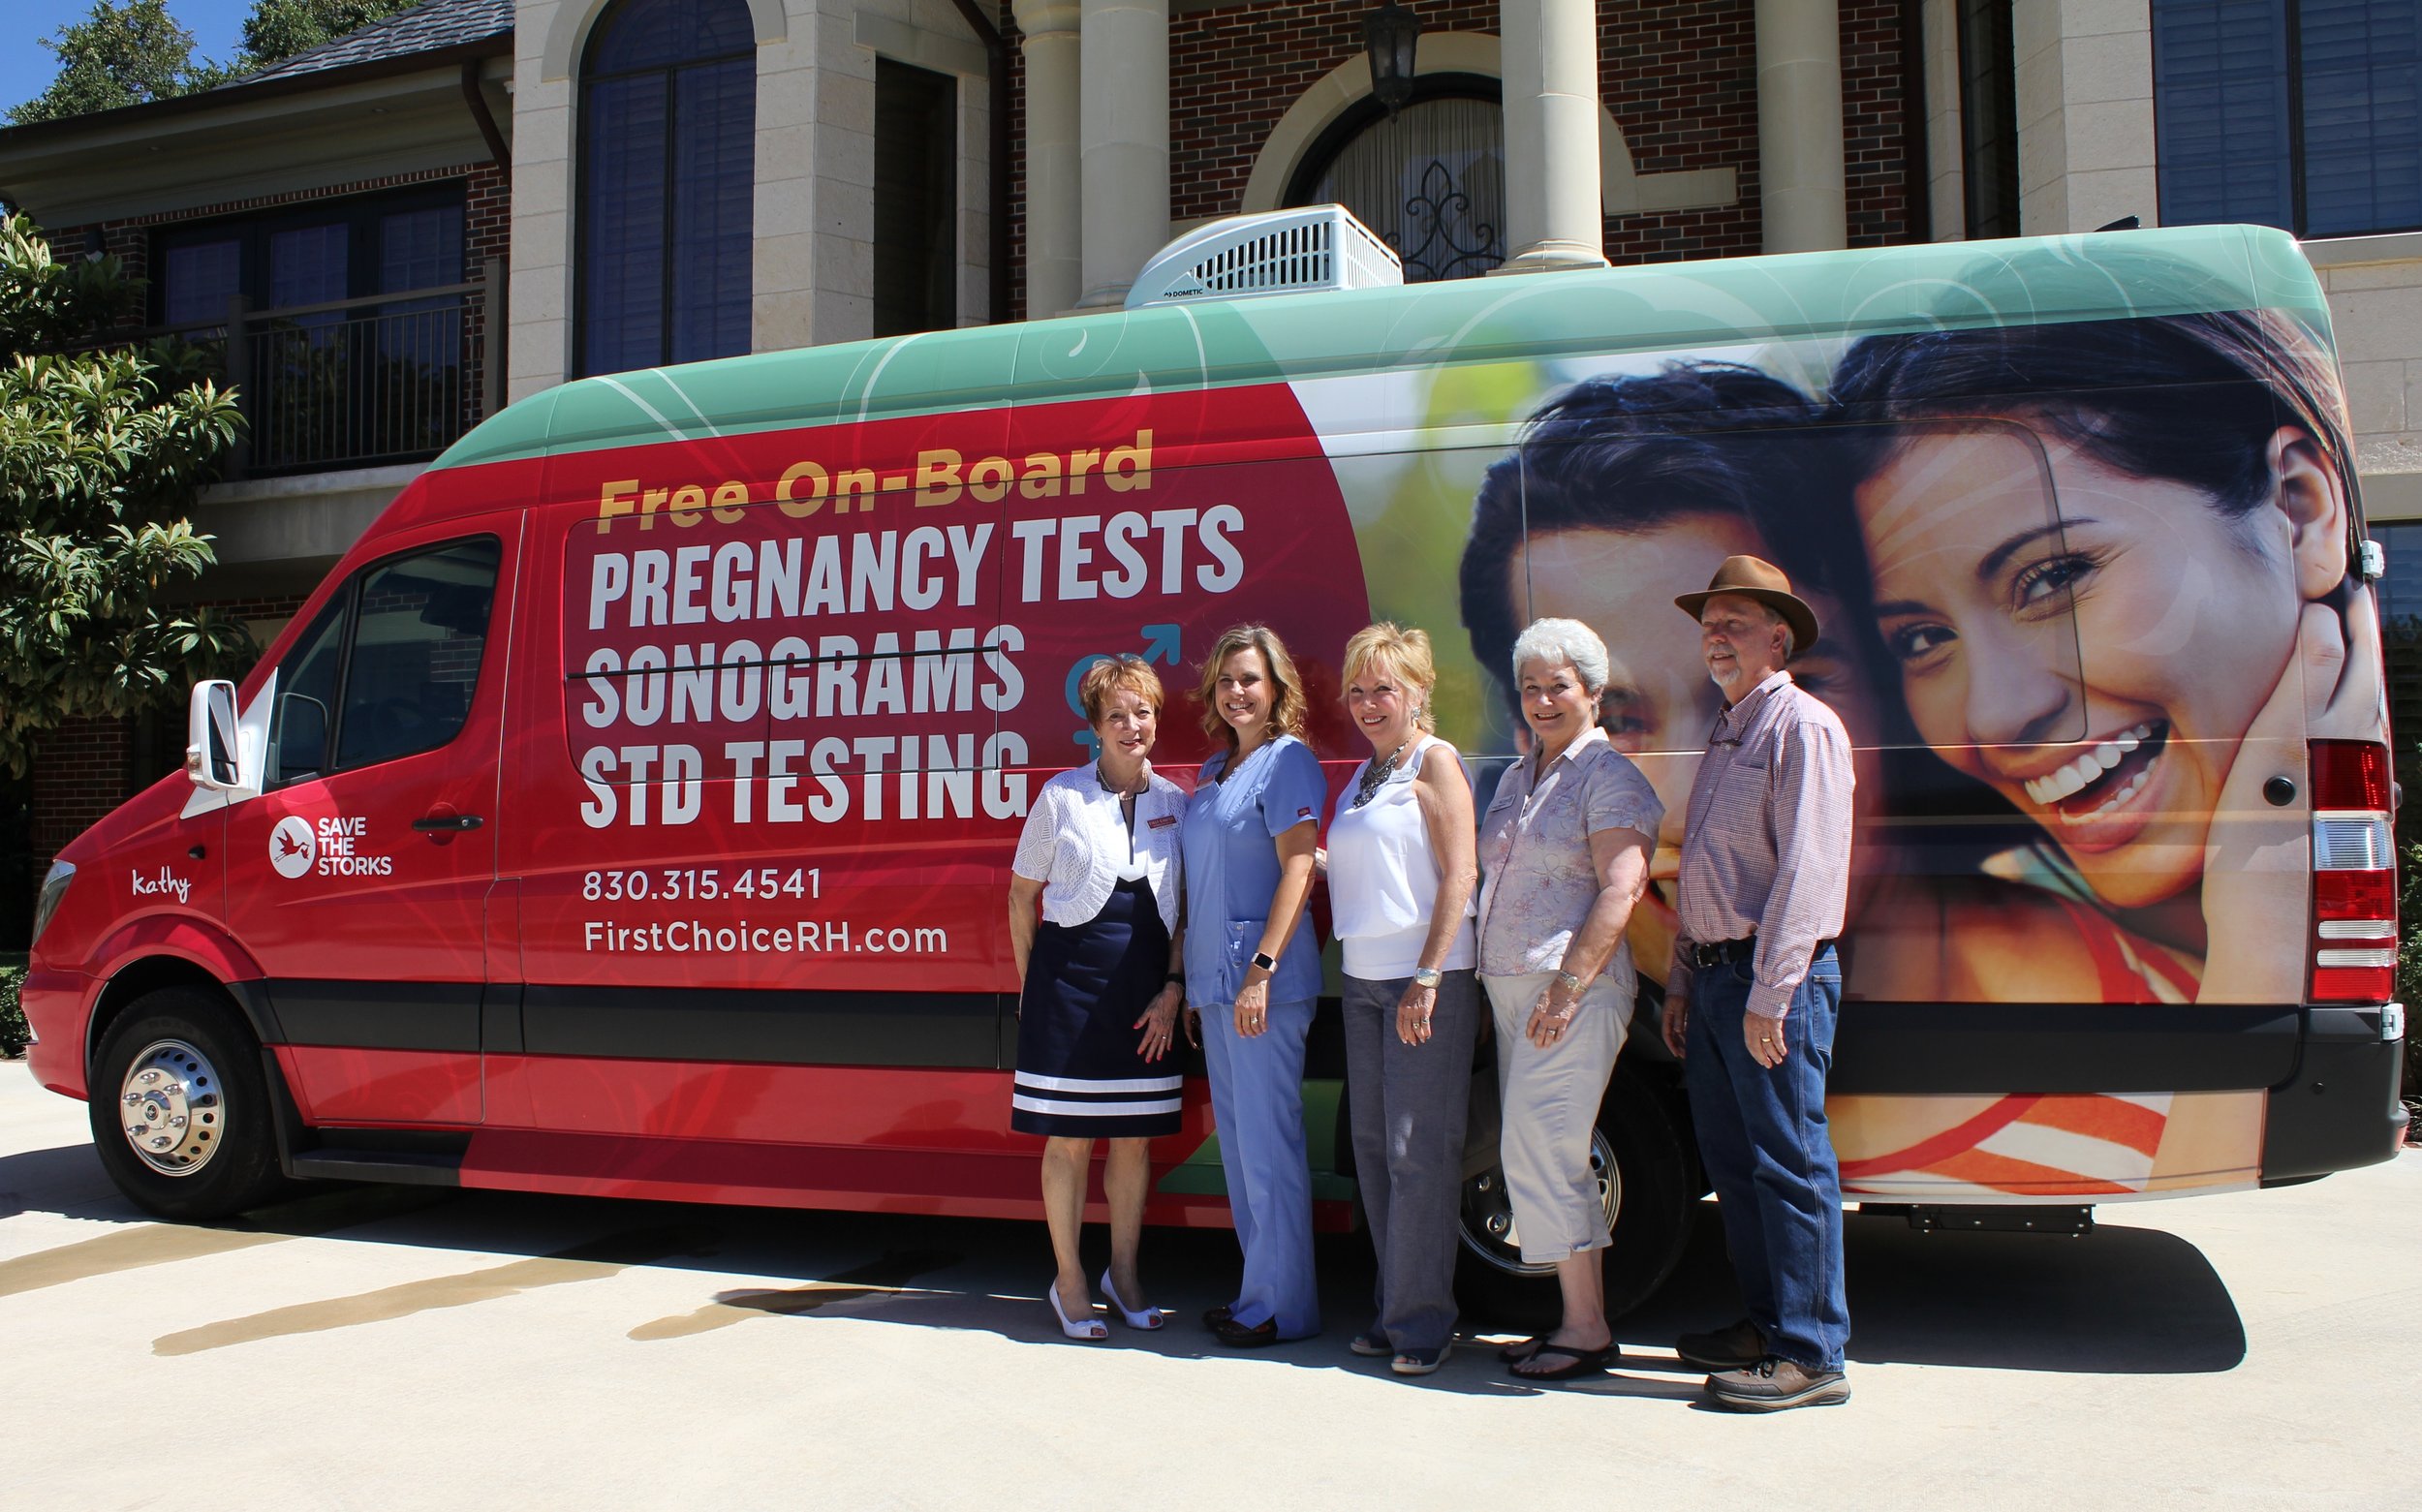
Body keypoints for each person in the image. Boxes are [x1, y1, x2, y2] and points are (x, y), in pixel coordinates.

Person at [1831, 305, 2383, 1004]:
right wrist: (2259, 940)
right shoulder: (1971, 970)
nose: (1996, 715)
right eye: (1921, 639)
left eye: (2055, 576)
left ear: (2297, 510)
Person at [1661, 554, 1855, 1412]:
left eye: (1733, 622)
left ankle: (1813, 1352)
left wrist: (1772, 993)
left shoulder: (1800, 726)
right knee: (1737, 1166)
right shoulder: (1732, 726)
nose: (1716, 636)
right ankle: (1769, 1324)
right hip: (1712, 977)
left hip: (1765, 981)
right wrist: (1677, 981)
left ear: (1779, 636)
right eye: (1710, 624)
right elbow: (1707, 866)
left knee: (1789, 1163)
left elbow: (1809, 871)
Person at [1475, 617, 1661, 1382]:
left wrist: (1569, 984)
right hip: (1514, 991)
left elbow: (1623, 887)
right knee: (1540, 1151)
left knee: (1541, 1145)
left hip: (1570, 995)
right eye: (1531, 686)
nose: (1543, 699)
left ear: (1592, 690)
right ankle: (1577, 1320)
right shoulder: (1520, 776)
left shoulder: (1609, 777)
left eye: (1559, 684)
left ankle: (1585, 1327)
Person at [1006, 655, 1188, 1341]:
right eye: (1117, 713)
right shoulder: (1060, 797)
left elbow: (1187, 911)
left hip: (1146, 1002)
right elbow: (1022, 898)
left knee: (1136, 1140)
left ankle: (1124, 1273)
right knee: (1070, 1141)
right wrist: (1034, 988)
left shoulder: (1178, 801)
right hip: (1067, 993)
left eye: (1143, 711)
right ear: (1096, 725)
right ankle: (1071, 1279)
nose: (1132, 724)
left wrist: (1173, 987)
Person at [1325, 622, 1482, 1376]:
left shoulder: (1434, 760)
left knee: (1419, 1151)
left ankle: (1424, 1322)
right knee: (1373, 1152)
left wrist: (1428, 973)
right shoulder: (1366, 774)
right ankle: (1396, 1309)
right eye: (1357, 689)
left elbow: (1460, 875)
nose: (1367, 702)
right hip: (1361, 978)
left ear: (1419, 690)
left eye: (1383, 687)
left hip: (1427, 981)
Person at [1183, 624, 1328, 1347]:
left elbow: (1300, 868)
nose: (1237, 691)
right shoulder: (1213, 772)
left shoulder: (1287, 761)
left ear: (1276, 688)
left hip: (1261, 984)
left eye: (1250, 678)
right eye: (1226, 680)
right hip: (1215, 985)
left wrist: (1261, 971)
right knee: (1241, 1152)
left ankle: (1284, 1307)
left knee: (1270, 1147)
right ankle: (1256, 1297)